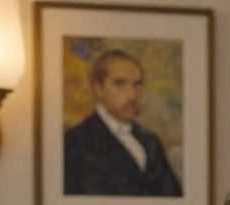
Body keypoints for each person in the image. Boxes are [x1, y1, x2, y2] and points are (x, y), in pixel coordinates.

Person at [63, 49, 183, 197]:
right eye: (120, 84)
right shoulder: (74, 143)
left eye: (137, 84)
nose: (132, 95)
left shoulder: (151, 141)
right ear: (98, 88)